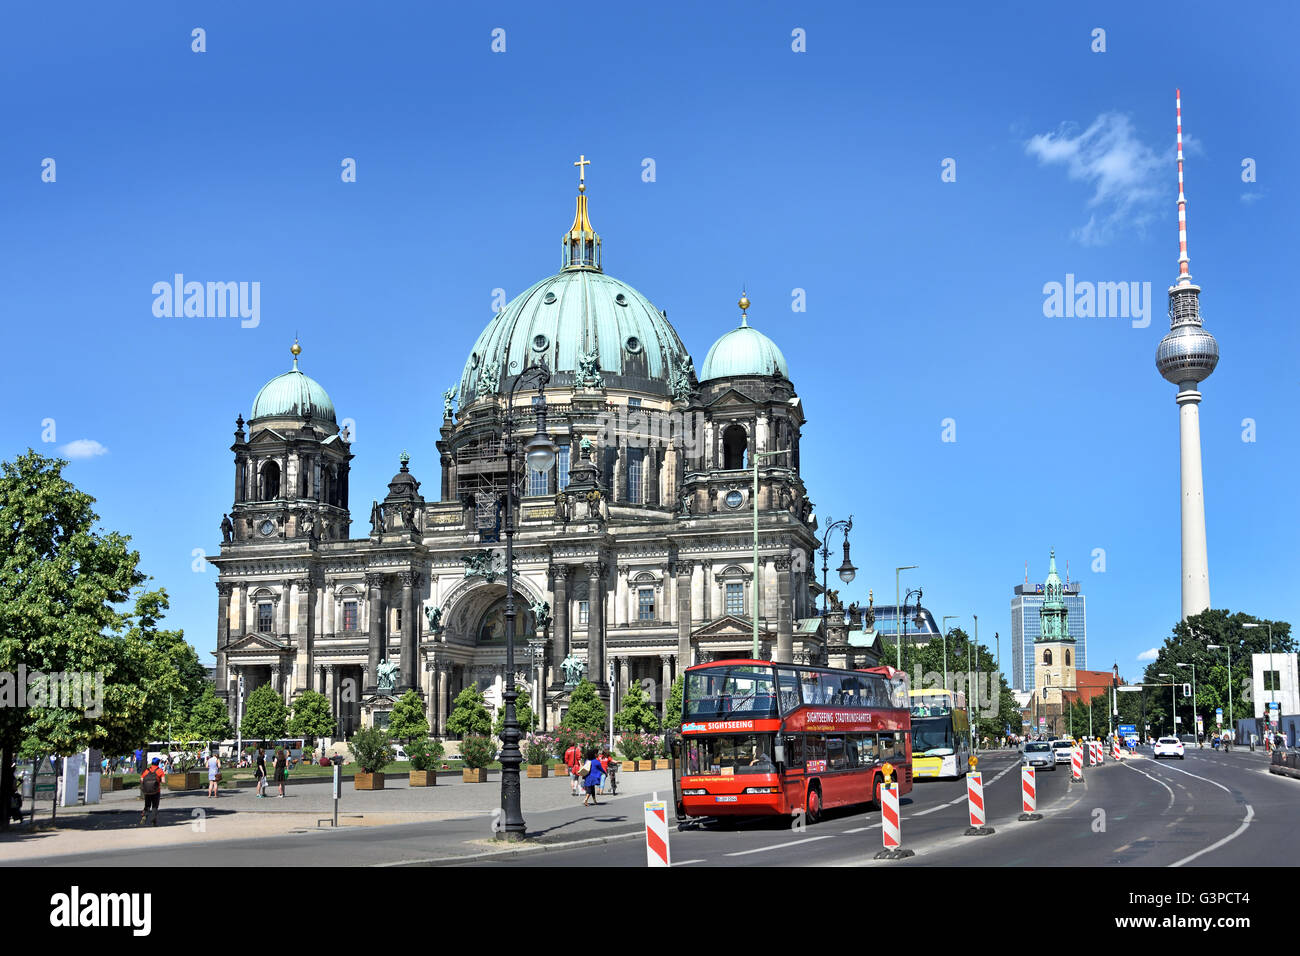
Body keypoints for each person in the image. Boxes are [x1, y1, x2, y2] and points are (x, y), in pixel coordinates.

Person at [139, 758, 165, 826]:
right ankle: (153, 820)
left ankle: (144, 816)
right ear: (158, 763)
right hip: (156, 791)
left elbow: (141, 779)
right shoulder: (160, 770)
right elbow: (163, 781)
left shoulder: (147, 770)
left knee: (147, 805)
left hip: (147, 791)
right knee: (155, 806)